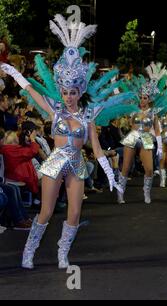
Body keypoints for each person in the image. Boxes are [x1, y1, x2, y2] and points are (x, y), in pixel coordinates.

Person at [0, 14, 134, 269]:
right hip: (54, 163)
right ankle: (29, 251)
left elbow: (96, 150)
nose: (69, 96)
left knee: (74, 213)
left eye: (73, 92)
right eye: (65, 92)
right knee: (46, 212)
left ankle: (63, 253)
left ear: (80, 91)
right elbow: (32, 92)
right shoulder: (54, 110)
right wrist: (15, 72)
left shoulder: (88, 117)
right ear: (60, 90)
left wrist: (111, 176)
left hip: (77, 165)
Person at [116, 63, 165, 204]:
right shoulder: (133, 109)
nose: (142, 100)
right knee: (125, 167)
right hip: (132, 136)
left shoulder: (153, 112)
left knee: (149, 169)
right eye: (141, 97)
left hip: (147, 138)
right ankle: (120, 193)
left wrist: (160, 147)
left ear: (149, 99)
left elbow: (157, 130)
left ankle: (146, 192)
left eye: (145, 98)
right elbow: (120, 100)